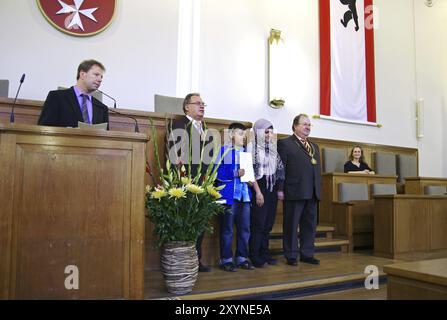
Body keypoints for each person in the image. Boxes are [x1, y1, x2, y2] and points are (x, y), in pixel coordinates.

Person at [166, 93, 214, 272]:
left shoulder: (205, 129)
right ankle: (182, 259)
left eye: (203, 104)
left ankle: (196, 259)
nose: (202, 106)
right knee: (185, 223)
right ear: (187, 106)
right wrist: (181, 178)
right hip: (184, 182)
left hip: (203, 183)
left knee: (199, 222)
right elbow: (175, 155)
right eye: (198, 103)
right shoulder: (178, 125)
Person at [277, 114, 321, 266]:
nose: (307, 127)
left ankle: (307, 254)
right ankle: (291, 255)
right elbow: (281, 168)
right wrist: (280, 189)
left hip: (312, 191)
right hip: (294, 190)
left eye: (309, 125)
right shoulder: (285, 143)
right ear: (295, 126)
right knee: (291, 224)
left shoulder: (315, 146)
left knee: (309, 225)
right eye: (304, 124)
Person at [216, 123, 254, 272]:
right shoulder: (223, 151)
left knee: (245, 229)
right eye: (240, 134)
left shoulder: (246, 154)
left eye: (244, 135)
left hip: (244, 196)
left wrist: (251, 180)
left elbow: (249, 176)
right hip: (229, 196)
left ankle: (242, 258)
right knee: (227, 230)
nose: (243, 137)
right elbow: (216, 174)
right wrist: (235, 173)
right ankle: (226, 259)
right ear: (231, 135)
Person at [248, 119, 285, 268]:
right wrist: (258, 192)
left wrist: (280, 189)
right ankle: (255, 255)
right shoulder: (252, 148)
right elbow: (250, 172)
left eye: (271, 131)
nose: (269, 134)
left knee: (268, 224)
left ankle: (264, 254)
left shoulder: (273, 149)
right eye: (266, 131)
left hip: (272, 189)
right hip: (259, 188)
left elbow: (280, 170)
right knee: (258, 224)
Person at [38, 59, 109, 128]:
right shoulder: (56, 97)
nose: (100, 80)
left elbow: (105, 136)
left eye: (101, 77)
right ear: (82, 74)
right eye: (96, 75)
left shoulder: (102, 108)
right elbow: (44, 128)